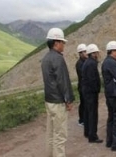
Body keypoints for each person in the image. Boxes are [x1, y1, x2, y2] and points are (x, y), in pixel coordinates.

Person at [41, 27, 75, 157]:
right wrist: (68, 99)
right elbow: (63, 81)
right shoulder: (58, 59)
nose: (64, 44)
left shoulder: (45, 58)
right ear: (56, 43)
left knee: (50, 134)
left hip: (49, 101)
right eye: (62, 42)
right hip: (58, 102)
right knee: (60, 136)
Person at [81, 44, 103, 143]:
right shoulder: (91, 64)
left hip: (87, 92)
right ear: (93, 53)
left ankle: (87, 132)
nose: (98, 54)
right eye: (96, 52)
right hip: (91, 93)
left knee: (88, 112)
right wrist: (96, 90)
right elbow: (92, 80)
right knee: (93, 114)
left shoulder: (87, 62)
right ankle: (92, 136)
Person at [75, 43, 87, 126]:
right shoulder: (79, 63)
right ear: (80, 53)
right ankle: (81, 120)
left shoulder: (85, 62)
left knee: (86, 103)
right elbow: (83, 75)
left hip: (85, 86)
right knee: (83, 103)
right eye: (84, 52)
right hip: (82, 87)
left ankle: (85, 118)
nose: (86, 53)